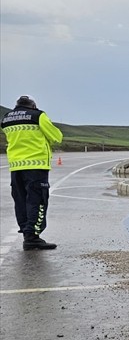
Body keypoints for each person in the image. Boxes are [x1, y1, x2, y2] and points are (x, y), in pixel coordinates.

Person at [3, 96, 63, 250]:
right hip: (36, 165)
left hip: (16, 166)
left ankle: (26, 233)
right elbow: (57, 136)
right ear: (33, 106)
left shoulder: (6, 119)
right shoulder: (37, 115)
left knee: (21, 201)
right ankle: (32, 236)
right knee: (37, 200)